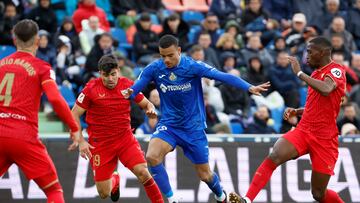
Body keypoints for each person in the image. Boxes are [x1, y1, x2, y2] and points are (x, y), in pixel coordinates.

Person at [122, 35, 270, 203]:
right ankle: (172, 200)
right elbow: (137, 86)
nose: (166, 60)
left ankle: (221, 196)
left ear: (179, 51)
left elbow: (223, 76)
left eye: (170, 55)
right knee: (152, 157)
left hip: (193, 128)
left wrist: (248, 87)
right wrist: (130, 92)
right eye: (163, 56)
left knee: (205, 175)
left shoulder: (192, 66)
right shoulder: (155, 68)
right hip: (169, 125)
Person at [229, 36, 346, 203]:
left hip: (325, 138)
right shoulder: (316, 73)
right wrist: (298, 111)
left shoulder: (336, 70)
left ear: (323, 53)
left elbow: (327, 90)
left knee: (318, 194)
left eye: (310, 52)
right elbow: (320, 107)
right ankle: (247, 200)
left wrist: (299, 73)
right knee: (275, 156)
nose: (307, 56)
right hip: (304, 129)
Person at [0, 19, 80, 203]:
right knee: (53, 190)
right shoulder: (42, 67)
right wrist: (74, 126)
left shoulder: (1, 64)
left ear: (14, 40)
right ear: (37, 41)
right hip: (23, 136)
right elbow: (54, 99)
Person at [69, 54, 164, 203]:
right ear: (100, 73)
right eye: (106, 75)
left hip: (124, 139)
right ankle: (114, 179)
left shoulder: (128, 85)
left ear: (118, 71)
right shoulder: (91, 89)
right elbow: (73, 114)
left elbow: (146, 104)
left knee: (143, 172)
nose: (111, 79)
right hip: (100, 144)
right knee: (103, 193)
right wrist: (81, 141)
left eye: (113, 74)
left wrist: (150, 109)